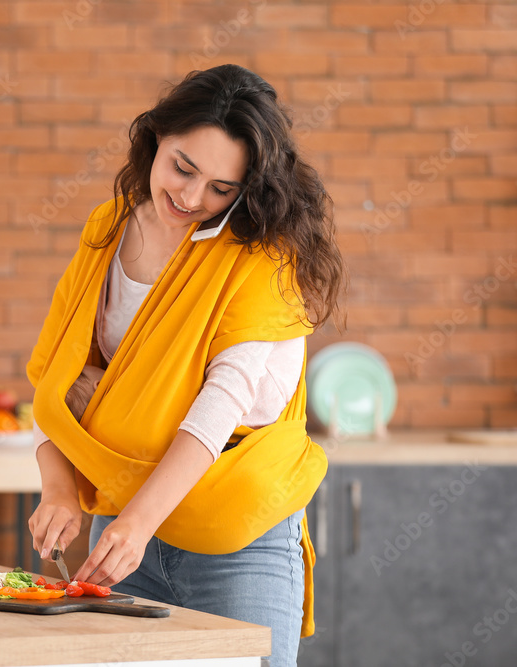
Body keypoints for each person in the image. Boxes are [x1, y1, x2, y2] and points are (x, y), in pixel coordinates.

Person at [25, 64, 345, 667]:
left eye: (222, 188)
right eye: (182, 167)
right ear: (154, 139)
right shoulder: (108, 228)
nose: (192, 198)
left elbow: (221, 400)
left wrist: (138, 516)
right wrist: (59, 487)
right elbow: (58, 375)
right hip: (121, 522)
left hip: (235, 535)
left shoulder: (264, 257)